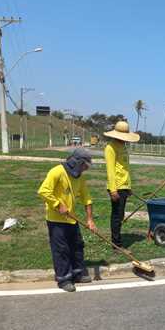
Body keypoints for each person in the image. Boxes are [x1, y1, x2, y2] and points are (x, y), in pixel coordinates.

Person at [37, 148, 96, 292]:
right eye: (85, 165)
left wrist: (90, 219)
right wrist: (58, 205)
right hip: (56, 219)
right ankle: (63, 279)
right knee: (61, 250)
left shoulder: (80, 177)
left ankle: (77, 274)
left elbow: (87, 198)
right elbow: (43, 191)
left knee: (77, 246)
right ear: (77, 162)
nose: (86, 169)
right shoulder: (57, 172)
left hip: (72, 218)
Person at [103, 120, 140, 248]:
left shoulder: (123, 147)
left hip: (124, 186)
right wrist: (113, 190)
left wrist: (128, 187)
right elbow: (111, 171)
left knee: (120, 215)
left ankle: (117, 239)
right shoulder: (110, 148)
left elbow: (124, 168)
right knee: (117, 216)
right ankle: (116, 244)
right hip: (116, 187)